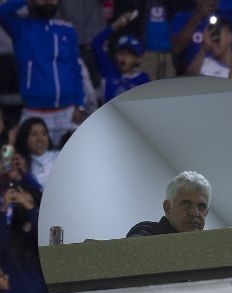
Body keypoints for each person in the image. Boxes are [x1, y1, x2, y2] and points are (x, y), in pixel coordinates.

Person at [1, 0, 86, 145]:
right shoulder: (21, 27)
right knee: (32, 163)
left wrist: (79, 104)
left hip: (68, 112)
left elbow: (75, 70)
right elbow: (2, 12)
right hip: (34, 112)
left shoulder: (67, 30)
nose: (48, 1)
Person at [128, 171, 212, 237]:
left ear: (206, 213)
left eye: (201, 207)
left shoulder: (209, 247)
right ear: (168, 208)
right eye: (187, 204)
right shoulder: (147, 233)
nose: (195, 213)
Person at [91, 11, 151, 103]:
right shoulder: (108, 70)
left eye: (128, 54)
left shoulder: (143, 79)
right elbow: (96, 44)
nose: (123, 58)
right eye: (120, 53)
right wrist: (115, 26)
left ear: (138, 59)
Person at [13, 118, 59, 189]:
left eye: (44, 134)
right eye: (34, 134)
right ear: (25, 138)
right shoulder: (20, 162)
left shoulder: (60, 156)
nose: (40, 139)